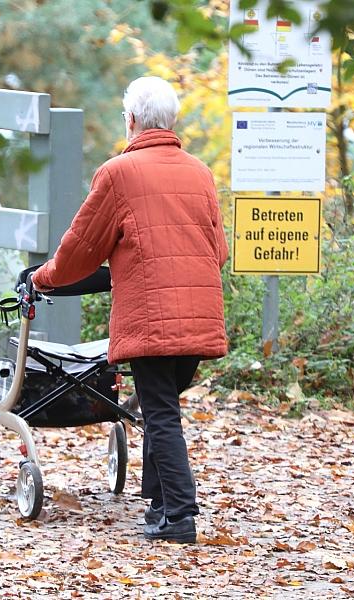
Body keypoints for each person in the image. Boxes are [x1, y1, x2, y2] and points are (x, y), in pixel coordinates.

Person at [31, 76, 228, 543]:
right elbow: (217, 251)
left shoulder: (119, 173)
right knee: (163, 406)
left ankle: (179, 515)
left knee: (159, 412)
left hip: (152, 317)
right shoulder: (200, 172)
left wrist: (41, 278)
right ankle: (160, 505)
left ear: (132, 121)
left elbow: (80, 251)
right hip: (200, 316)